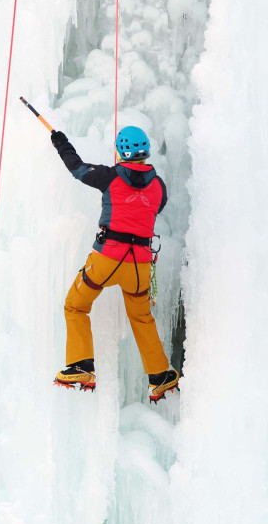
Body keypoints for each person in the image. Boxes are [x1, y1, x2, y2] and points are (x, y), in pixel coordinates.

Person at [49, 125, 181, 401]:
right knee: (141, 317)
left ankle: (81, 366)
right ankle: (160, 376)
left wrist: (61, 142)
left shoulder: (109, 176)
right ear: (146, 151)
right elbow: (157, 207)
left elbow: (77, 168)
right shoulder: (159, 186)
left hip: (108, 258)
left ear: (121, 151)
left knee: (75, 305)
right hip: (140, 265)